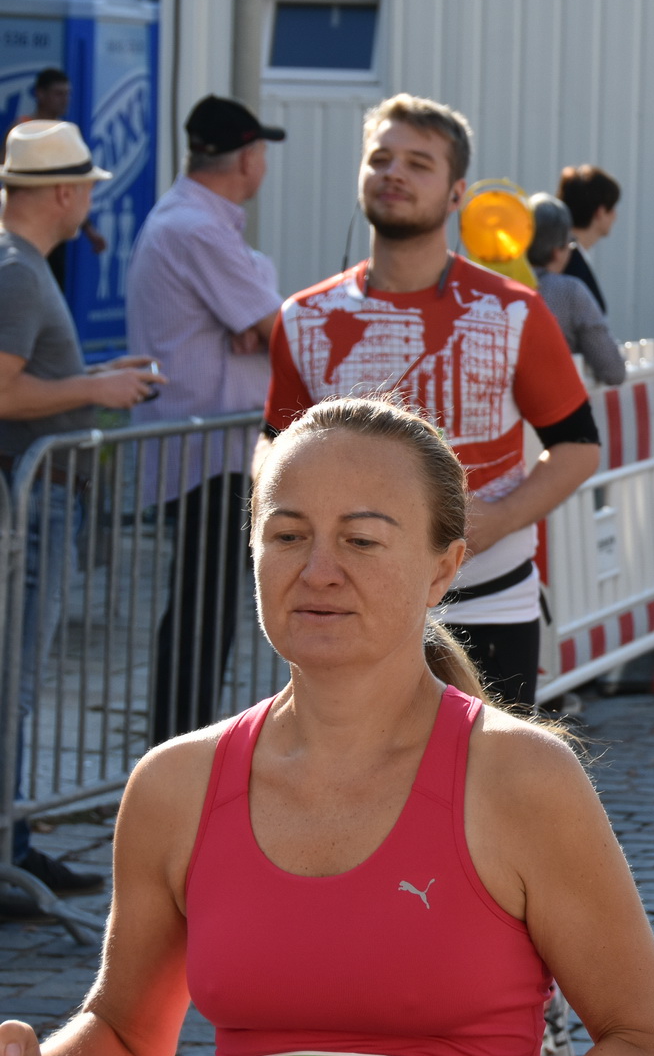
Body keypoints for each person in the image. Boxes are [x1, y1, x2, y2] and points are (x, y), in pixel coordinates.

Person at [0, 395, 654, 1056]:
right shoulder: (173, 786)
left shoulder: (523, 777)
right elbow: (123, 1038)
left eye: (361, 540)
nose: (318, 571)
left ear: (443, 568)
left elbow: (648, 1045)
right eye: (287, 536)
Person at [264, 94, 600, 712]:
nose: (393, 173)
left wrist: (500, 518)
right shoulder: (305, 316)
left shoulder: (513, 311)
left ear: (456, 194)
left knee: (485, 776)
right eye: (380, 159)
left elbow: (579, 447)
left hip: (489, 602)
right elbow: (273, 443)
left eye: (418, 163)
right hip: (344, 602)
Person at [0, 120, 164, 903]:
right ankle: (10, 852)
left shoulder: (21, 265)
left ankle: (16, 846)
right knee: (15, 686)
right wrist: (95, 387)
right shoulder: (19, 270)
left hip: (38, 496)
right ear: (64, 193)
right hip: (34, 501)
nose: (91, 202)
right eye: (88, 190)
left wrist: (95, 372)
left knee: (17, 684)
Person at [126, 95, 286, 746]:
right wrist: (258, 324)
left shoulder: (194, 221)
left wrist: (255, 320)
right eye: (262, 151)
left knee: (206, 607)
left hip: (209, 449)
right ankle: (180, 753)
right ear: (246, 159)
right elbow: (277, 327)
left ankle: (181, 749)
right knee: (203, 611)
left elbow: (262, 319)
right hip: (209, 454)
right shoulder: (197, 228)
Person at [10, 68, 106, 288]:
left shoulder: (65, 135)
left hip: (55, 238)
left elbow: (73, 188)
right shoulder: (21, 132)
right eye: (58, 93)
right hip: (26, 232)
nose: (65, 99)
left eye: (67, 93)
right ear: (40, 94)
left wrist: (89, 230)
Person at [526, 193, 626, 385]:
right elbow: (613, 370)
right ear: (557, 251)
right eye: (570, 243)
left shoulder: (495, 285)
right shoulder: (570, 292)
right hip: (553, 398)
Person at [557, 162, 620, 314]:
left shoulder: (559, 254)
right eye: (612, 208)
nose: (615, 216)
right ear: (600, 212)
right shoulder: (568, 262)